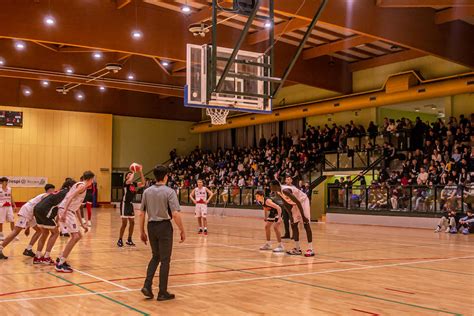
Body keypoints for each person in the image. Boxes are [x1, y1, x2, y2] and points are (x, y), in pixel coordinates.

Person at [139, 165, 186, 302]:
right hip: (164, 226)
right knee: (165, 260)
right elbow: (175, 214)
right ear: (166, 176)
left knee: (155, 256)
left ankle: (147, 286)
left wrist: (141, 231)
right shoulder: (169, 192)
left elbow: (142, 213)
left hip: (150, 226)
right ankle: (162, 291)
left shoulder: (147, 192)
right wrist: (182, 230)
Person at [0, 184, 55, 260]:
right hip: (27, 211)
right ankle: (0, 248)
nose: (54, 192)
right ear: (50, 190)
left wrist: (28, 227)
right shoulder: (46, 195)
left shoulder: (42, 196)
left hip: (31, 214)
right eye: (53, 190)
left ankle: (28, 249)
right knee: (16, 231)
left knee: (39, 231)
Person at [55, 171, 94, 272]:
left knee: (78, 235)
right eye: (92, 180)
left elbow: (76, 208)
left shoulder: (80, 185)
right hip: (66, 211)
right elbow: (70, 197)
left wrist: (82, 224)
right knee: (75, 236)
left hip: (68, 211)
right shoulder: (82, 186)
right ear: (90, 179)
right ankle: (60, 264)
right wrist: (63, 213)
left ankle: (61, 257)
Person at [33, 179, 76, 264]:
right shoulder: (67, 193)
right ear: (70, 187)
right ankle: (46, 257)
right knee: (55, 233)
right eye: (74, 187)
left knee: (45, 233)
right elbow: (62, 207)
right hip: (45, 210)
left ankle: (37, 256)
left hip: (37, 209)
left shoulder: (60, 191)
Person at [270, 180, 314, 257]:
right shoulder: (279, 192)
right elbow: (286, 204)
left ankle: (310, 249)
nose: (270, 187)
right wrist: (291, 216)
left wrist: (303, 216)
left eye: (271, 186)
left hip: (302, 201)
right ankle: (297, 249)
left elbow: (298, 202)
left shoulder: (285, 190)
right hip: (295, 204)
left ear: (276, 186)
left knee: (306, 223)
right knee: (293, 224)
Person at [118, 168, 145, 247]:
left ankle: (129, 239)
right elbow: (130, 180)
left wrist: (140, 172)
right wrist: (133, 171)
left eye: (131, 174)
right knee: (124, 223)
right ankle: (120, 239)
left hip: (130, 204)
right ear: (126, 177)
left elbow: (143, 183)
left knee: (132, 222)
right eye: (128, 174)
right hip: (124, 204)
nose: (130, 175)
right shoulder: (126, 183)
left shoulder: (133, 184)